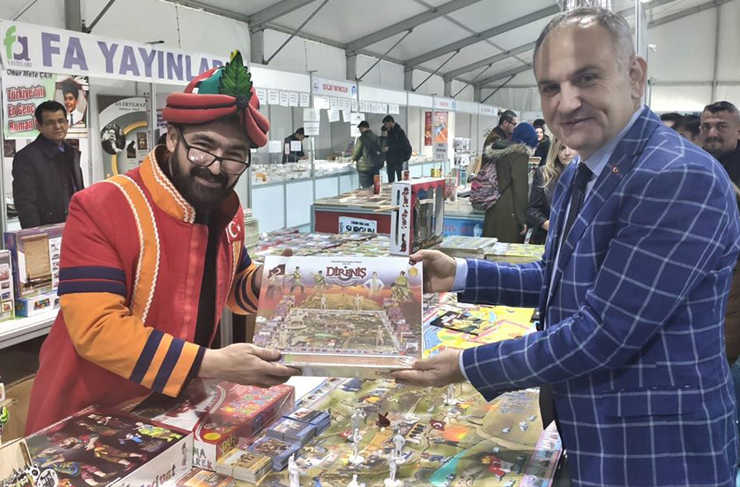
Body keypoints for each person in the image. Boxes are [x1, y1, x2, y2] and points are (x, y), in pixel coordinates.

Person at [393, 8, 739, 486]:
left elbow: (605, 332)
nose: (567, 102)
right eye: (550, 87)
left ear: (634, 76)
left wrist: (468, 364)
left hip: (657, 450)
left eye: (587, 78)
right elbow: (558, 277)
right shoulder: (585, 169)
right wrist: (462, 274)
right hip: (592, 429)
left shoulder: (676, 176)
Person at [26, 53, 300, 435]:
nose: (215, 166)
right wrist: (210, 364)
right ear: (172, 137)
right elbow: (97, 329)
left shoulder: (225, 209)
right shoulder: (102, 206)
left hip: (172, 417)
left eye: (234, 157)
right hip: (86, 422)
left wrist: (273, 281)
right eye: (202, 147)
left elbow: (233, 286)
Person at [12, 100, 85, 229]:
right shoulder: (26, 157)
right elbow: (25, 204)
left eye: (61, 121)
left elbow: (79, 192)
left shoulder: (72, 153)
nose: (57, 126)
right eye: (50, 122)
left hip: (75, 227)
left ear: (67, 123)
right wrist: (35, 235)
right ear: (39, 126)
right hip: (46, 231)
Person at [479, 122, 538, 243]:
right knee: (507, 248)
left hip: (493, 203)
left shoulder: (498, 150)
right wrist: (522, 219)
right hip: (509, 210)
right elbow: (520, 189)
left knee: (491, 247)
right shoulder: (519, 155)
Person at [526, 139, 576, 245]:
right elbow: (532, 210)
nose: (567, 153)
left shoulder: (588, 175)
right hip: (548, 238)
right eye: (562, 148)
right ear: (555, 151)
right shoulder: (543, 174)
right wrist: (548, 225)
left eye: (572, 147)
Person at [701, 101, 740, 185]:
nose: (712, 134)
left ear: (738, 132)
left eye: (721, 127)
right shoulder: (692, 161)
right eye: (706, 127)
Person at [382, 115, 412, 183]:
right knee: (391, 180)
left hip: (398, 159)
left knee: (400, 179)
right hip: (390, 160)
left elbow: (402, 145)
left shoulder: (399, 132)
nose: (385, 126)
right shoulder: (389, 131)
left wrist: (389, 148)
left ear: (390, 122)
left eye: (386, 124)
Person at [352, 121, 381, 188]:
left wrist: (353, 158)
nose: (360, 131)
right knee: (375, 187)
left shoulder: (361, 139)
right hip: (375, 166)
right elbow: (380, 150)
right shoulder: (376, 137)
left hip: (364, 167)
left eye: (360, 129)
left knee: (365, 187)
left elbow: (356, 152)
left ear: (362, 128)